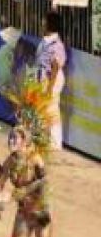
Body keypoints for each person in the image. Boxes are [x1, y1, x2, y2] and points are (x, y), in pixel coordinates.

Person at [35, 12, 66, 151]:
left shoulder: (56, 44)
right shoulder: (46, 40)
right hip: (43, 78)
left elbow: (55, 67)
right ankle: (45, 138)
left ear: (49, 24)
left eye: (44, 21)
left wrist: (49, 88)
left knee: (52, 108)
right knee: (43, 108)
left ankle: (55, 142)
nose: (41, 23)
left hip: (52, 79)